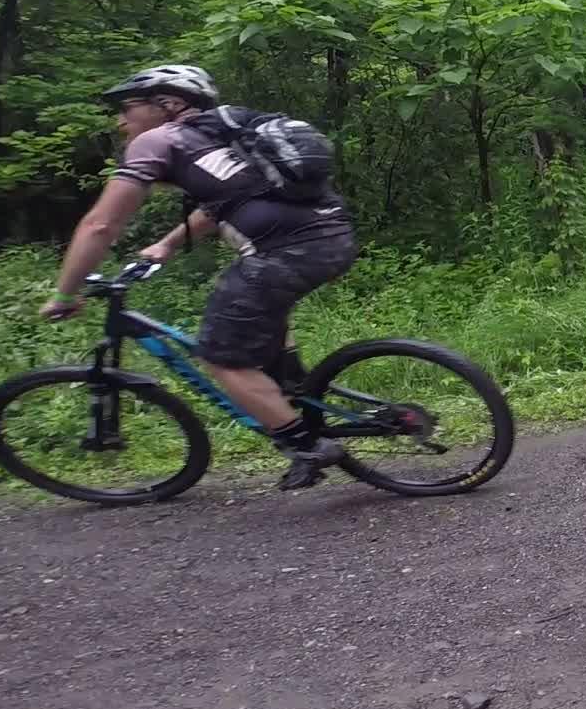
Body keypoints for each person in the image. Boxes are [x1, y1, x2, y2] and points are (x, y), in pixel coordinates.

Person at [39, 65, 359, 490]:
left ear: (169, 105)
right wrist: (168, 245)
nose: (120, 120)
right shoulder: (227, 134)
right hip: (332, 237)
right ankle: (294, 395)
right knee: (258, 318)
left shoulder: (158, 140)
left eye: (128, 108)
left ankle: (305, 443)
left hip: (284, 254)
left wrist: (65, 292)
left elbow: (100, 226)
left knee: (220, 354)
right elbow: (227, 200)